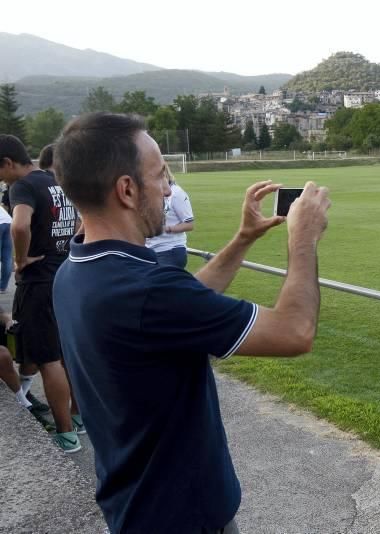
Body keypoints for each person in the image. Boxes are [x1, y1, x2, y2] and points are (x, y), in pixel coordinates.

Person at [52, 112, 330, 534]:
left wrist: (243, 239)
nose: (168, 189)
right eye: (160, 175)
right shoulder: (146, 290)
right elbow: (295, 332)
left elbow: (180, 307)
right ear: (127, 189)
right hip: (183, 515)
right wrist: (303, 238)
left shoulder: (77, 270)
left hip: (134, 503)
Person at [0, 134, 81, 452]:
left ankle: (65, 434)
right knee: (65, 354)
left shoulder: (22, 186)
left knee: (47, 359)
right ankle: (78, 418)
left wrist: (21, 260)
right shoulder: (54, 181)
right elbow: (79, 222)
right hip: (64, 275)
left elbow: (19, 227)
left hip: (39, 283)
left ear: (7, 163)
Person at [145, 167, 195, 268]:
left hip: (170, 250)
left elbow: (189, 224)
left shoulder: (176, 194)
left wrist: (168, 228)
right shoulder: (151, 193)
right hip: (151, 250)